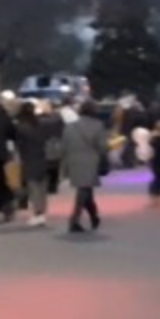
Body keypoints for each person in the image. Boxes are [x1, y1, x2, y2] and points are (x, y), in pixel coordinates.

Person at [60, 99, 110, 234]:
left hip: (73, 161)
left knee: (86, 190)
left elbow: (63, 146)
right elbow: (102, 147)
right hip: (90, 162)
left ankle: (94, 216)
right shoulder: (98, 125)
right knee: (84, 191)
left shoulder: (70, 126)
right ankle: (74, 221)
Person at [13, 101, 53, 227]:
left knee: (33, 187)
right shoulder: (40, 124)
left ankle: (37, 213)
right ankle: (42, 213)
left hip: (29, 158)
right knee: (42, 188)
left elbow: (19, 145)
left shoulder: (21, 127)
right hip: (42, 157)